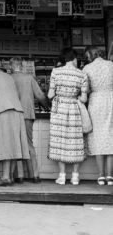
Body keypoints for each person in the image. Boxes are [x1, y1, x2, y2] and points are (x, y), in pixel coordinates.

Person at [0, 58, 30, 187]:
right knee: (12, 145)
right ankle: (8, 176)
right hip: (18, 112)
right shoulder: (9, 77)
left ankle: (5, 177)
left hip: (2, 111)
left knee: (4, 144)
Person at [48, 48, 88, 185]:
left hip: (59, 109)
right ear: (74, 58)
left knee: (59, 141)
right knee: (75, 141)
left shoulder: (55, 72)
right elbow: (83, 98)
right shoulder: (82, 74)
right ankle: (75, 176)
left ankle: (62, 176)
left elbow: (50, 95)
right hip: (74, 109)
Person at [10, 57, 48, 183]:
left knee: (15, 145)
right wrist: (47, 106)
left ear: (11, 66)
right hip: (27, 113)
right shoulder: (29, 78)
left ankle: (19, 176)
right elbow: (40, 96)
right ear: (22, 66)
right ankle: (35, 175)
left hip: (12, 114)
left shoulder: (8, 78)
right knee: (28, 144)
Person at [83, 46, 113, 185]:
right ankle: (110, 176)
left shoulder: (87, 68)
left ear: (91, 55)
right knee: (110, 137)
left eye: (87, 55)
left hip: (96, 102)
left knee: (97, 137)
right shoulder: (111, 65)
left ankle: (101, 175)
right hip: (111, 100)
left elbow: (86, 90)